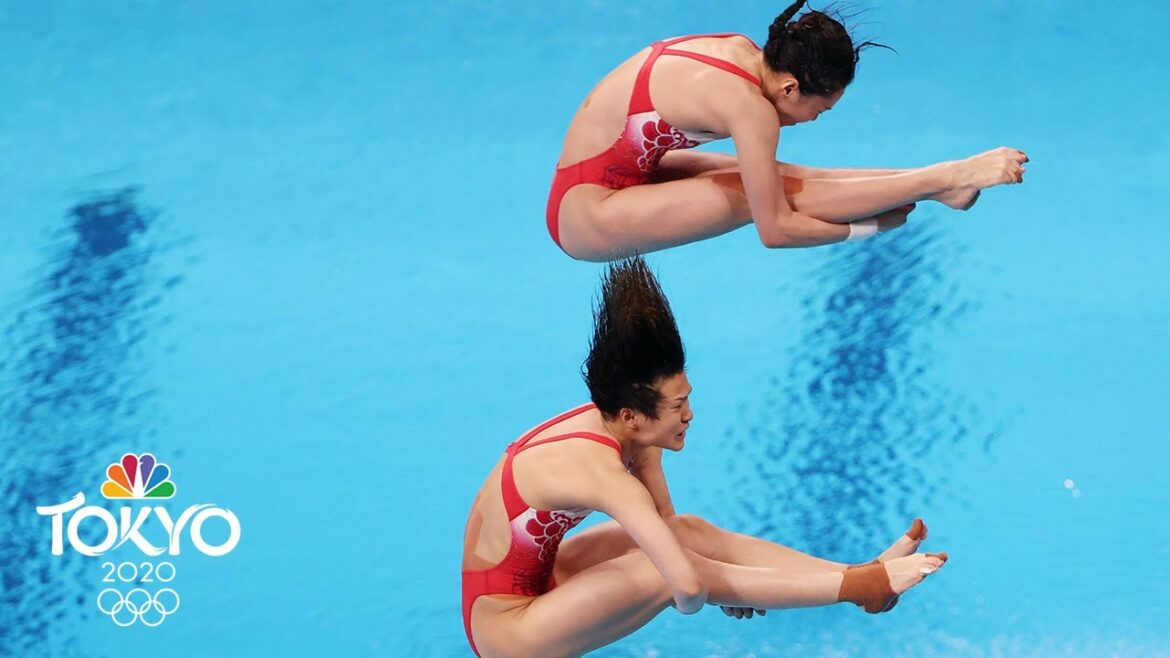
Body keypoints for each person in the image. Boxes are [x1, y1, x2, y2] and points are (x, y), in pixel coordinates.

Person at [460, 256, 947, 657]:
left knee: (688, 533)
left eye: (687, 398)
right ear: (632, 415)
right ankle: (861, 586)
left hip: (544, 581)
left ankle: (858, 575)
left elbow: (672, 535)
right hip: (508, 632)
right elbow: (688, 589)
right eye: (677, 406)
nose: (690, 415)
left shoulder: (630, 431)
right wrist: (719, 589)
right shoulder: (602, 472)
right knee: (657, 571)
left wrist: (726, 586)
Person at [546, 0, 1028, 261]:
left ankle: (943, 185)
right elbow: (775, 231)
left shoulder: (741, 50)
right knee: (757, 197)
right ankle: (945, 177)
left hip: (626, 170)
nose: (814, 120)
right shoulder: (747, 106)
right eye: (819, 109)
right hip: (587, 217)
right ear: (792, 86)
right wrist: (870, 227)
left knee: (786, 175)